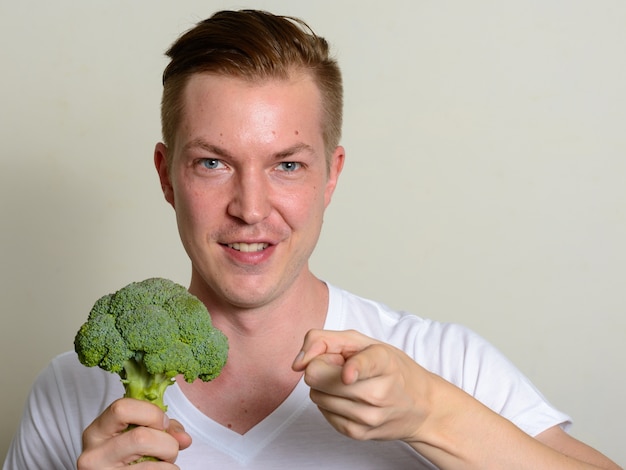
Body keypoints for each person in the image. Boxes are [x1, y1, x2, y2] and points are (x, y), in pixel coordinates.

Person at [3, 9, 621, 470]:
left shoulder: (439, 364)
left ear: (333, 176)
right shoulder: (71, 392)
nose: (250, 208)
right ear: (167, 175)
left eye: (287, 165)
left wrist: (432, 415)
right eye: (213, 163)